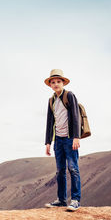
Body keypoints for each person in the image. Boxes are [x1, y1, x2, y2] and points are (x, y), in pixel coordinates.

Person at [44, 69, 81, 211]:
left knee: (73, 168)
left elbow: (76, 116)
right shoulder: (51, 100)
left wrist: (76, 137)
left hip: (70, 138)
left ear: (63, 83)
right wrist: (48, 142)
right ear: (50, 85)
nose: (55, 84)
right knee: (60, 170)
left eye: (58, 81)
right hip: (58, 140)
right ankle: (61, 200)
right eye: (53, 82)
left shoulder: (69, 95)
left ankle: (76, 200)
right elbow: (49, 122)